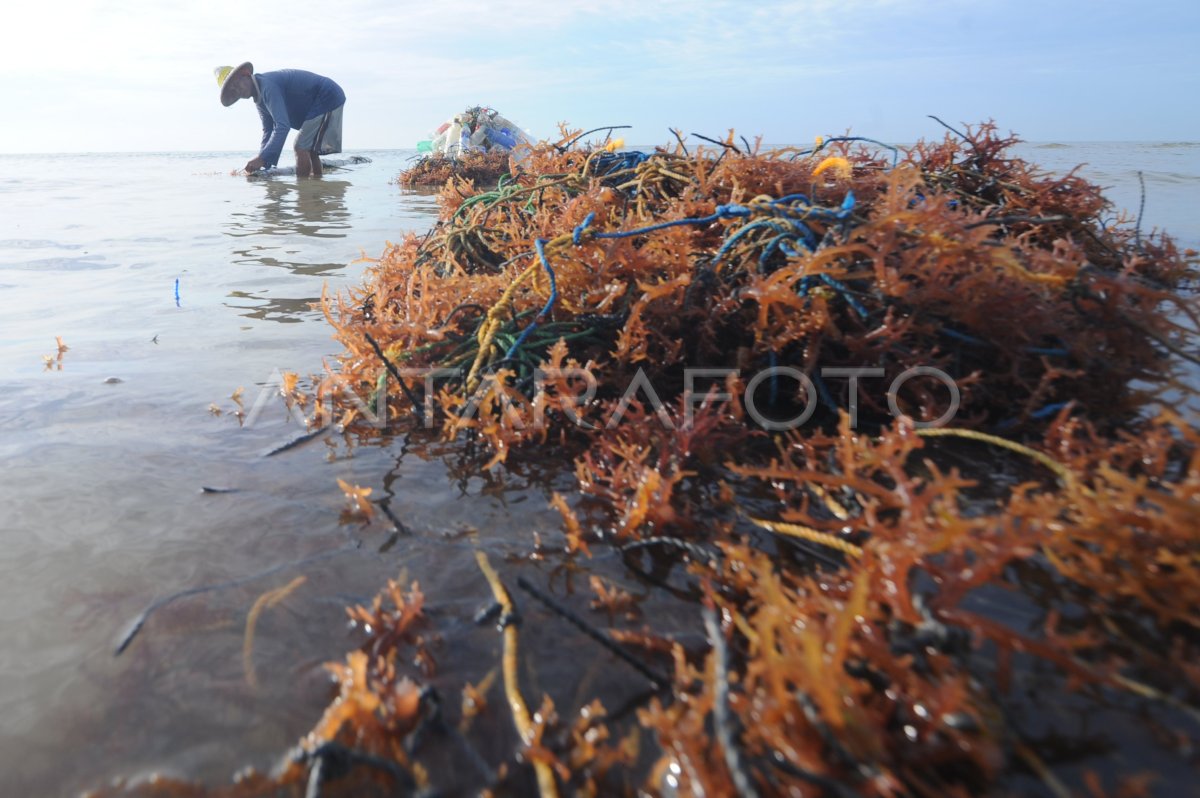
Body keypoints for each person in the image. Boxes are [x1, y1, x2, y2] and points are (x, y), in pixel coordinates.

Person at [214, 62, 345, 178]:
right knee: (309, 149)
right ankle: (316, 191)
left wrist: (262, 158)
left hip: (326, 96)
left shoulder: (267, 85)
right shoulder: (260, 100)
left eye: (236, 84)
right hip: (318, 102)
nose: (238, 90)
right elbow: (268, 130)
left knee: (300, 146)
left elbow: (282, 126)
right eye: (233, 91)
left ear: (246, 74)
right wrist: (263, 162)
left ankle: (304, 195)